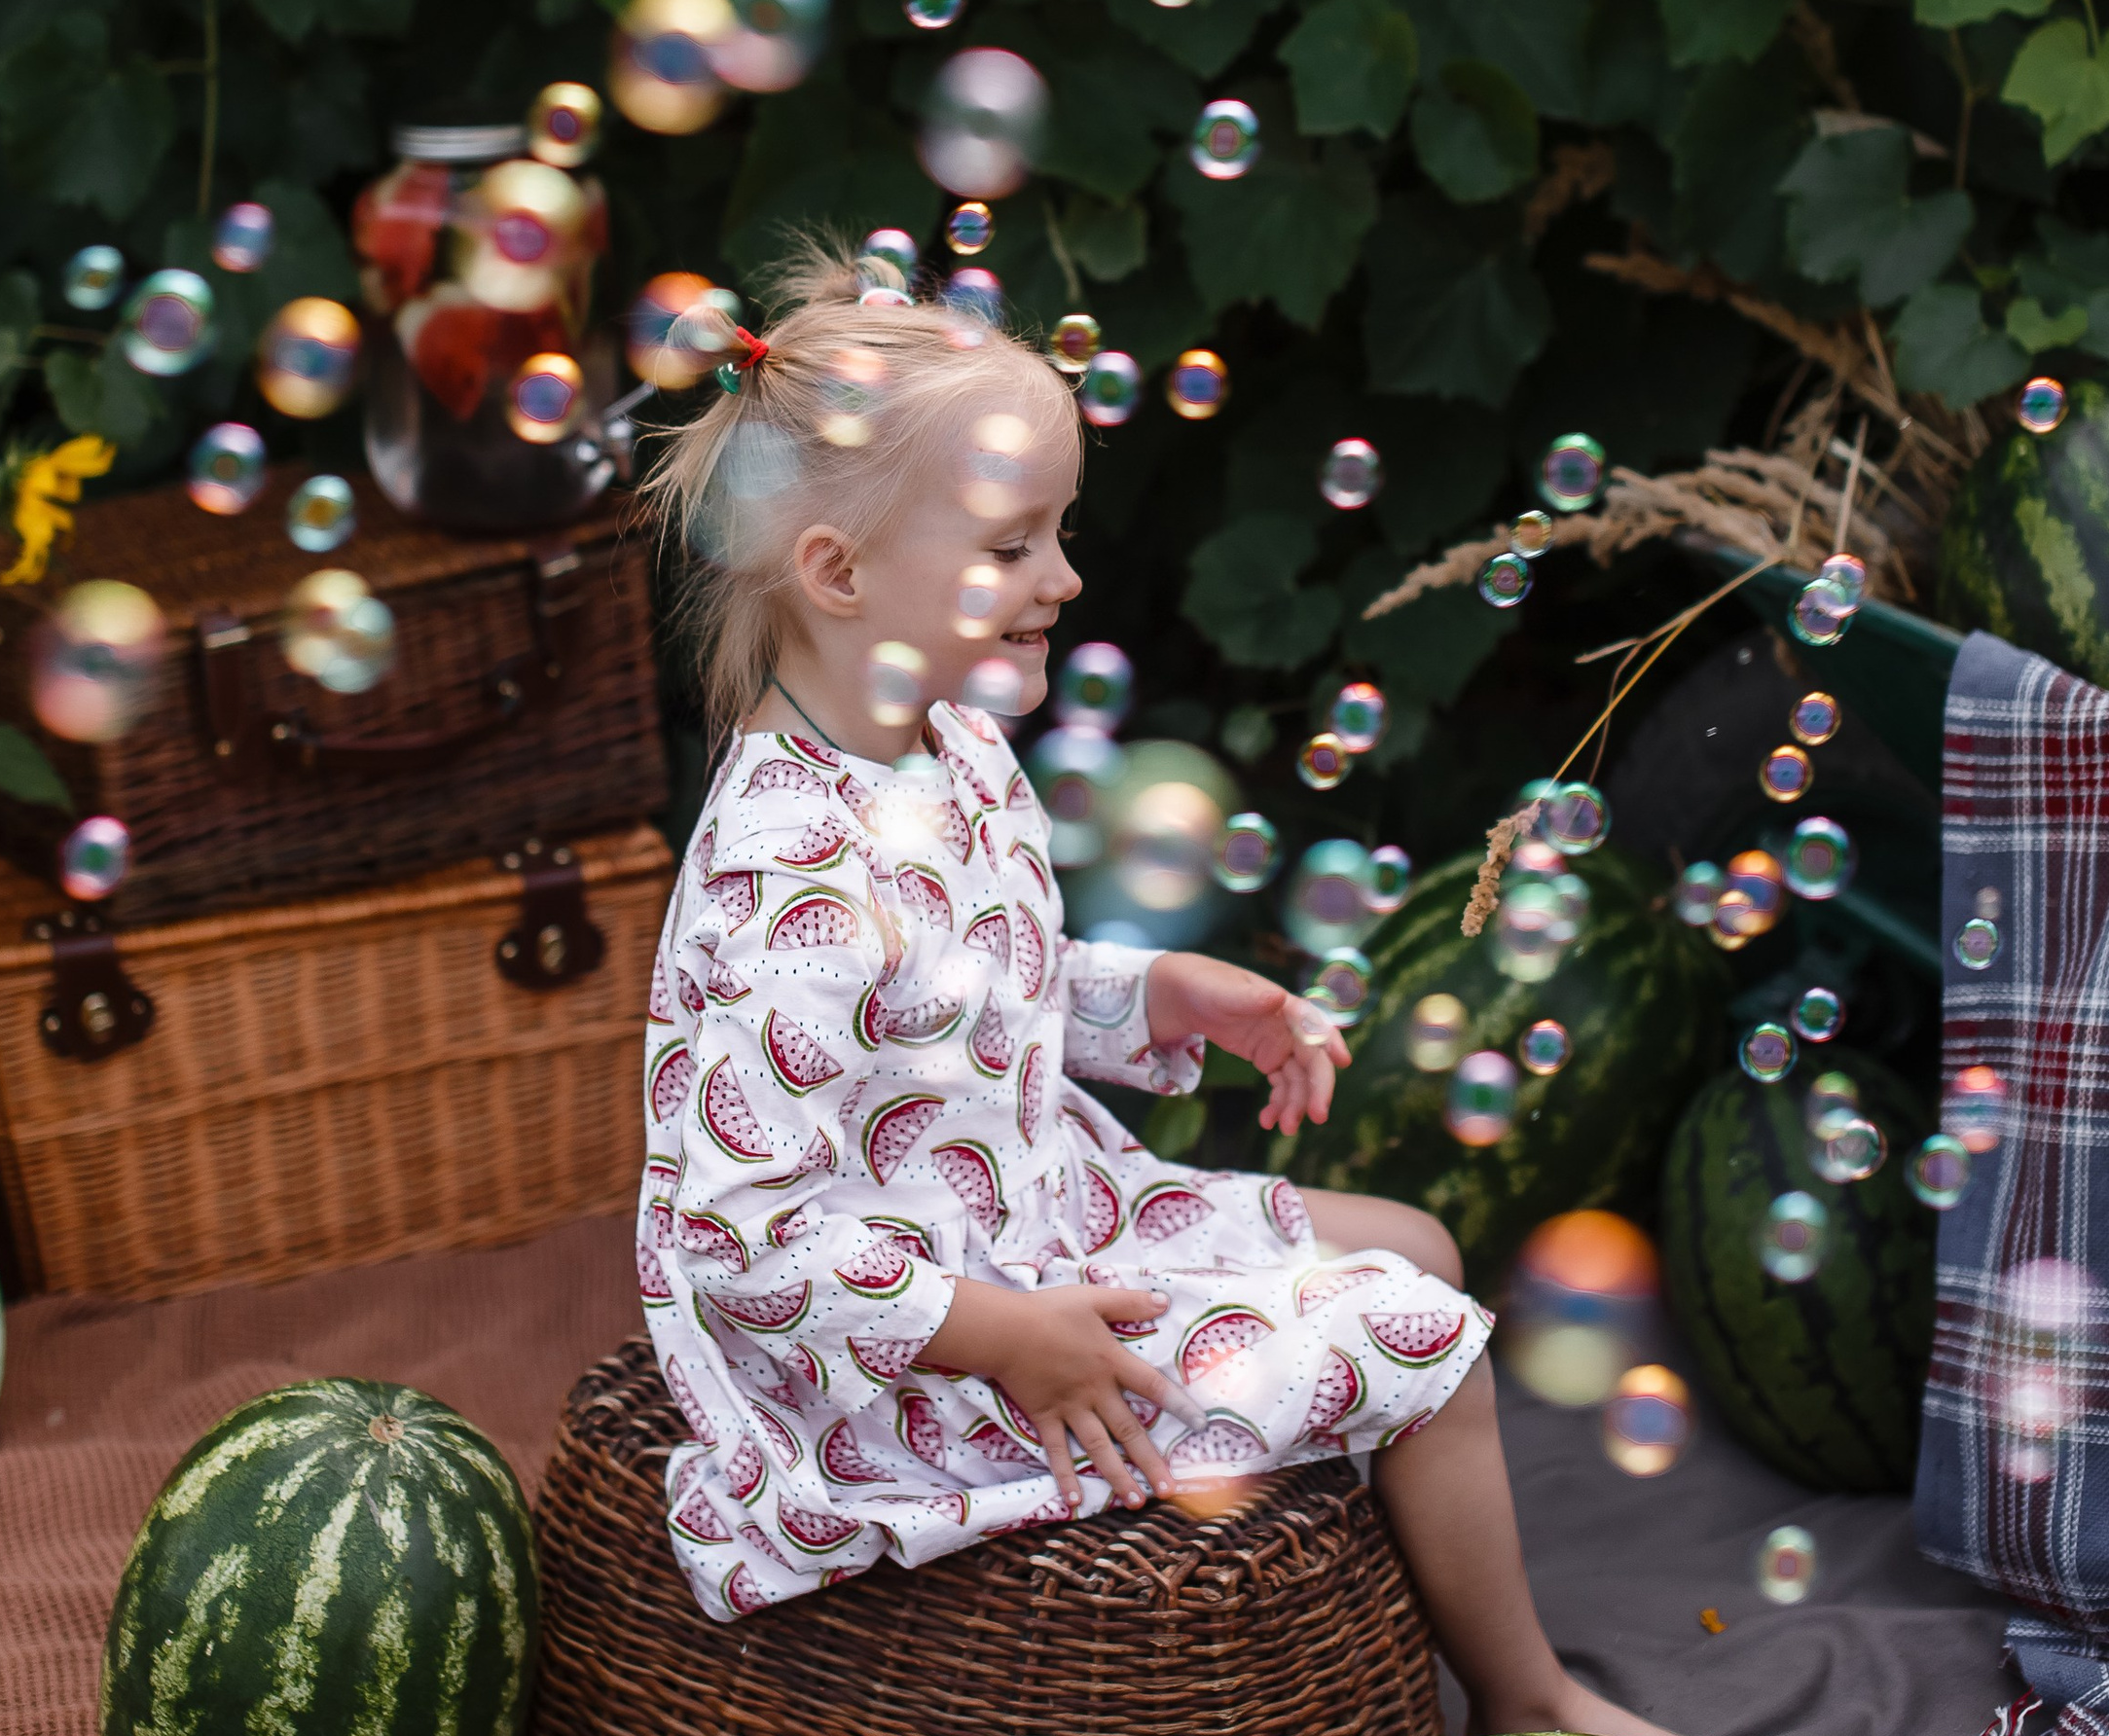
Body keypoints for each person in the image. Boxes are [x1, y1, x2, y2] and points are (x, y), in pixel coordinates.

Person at [636, 244, 1673, 1736]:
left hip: (1030, 1207)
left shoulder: (943, 744)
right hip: (909, 1357)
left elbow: (970, 993)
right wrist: (1005, 1336)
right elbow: (737, 1236)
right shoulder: (791, 883)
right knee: (1433, 1353)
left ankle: (1377, 1602)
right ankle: (1529, 1701)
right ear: (839, 574)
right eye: (1010, 546)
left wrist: (1157, 996)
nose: (1062, 577)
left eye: (1060, 531)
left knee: (1422, 1240)